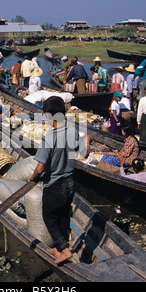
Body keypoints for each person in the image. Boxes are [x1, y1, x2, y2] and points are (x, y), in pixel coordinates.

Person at [29, 96, 91, 265]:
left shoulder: (49, 138)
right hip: (70, 181)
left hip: (55, 184)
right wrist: (87, 140)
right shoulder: (71, 131)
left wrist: (33, 178)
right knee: (63, 214)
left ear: (49, 117)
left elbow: (40, 168)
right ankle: (59, 247)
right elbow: (84, 153)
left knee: (49, 217)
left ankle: (64, 250)